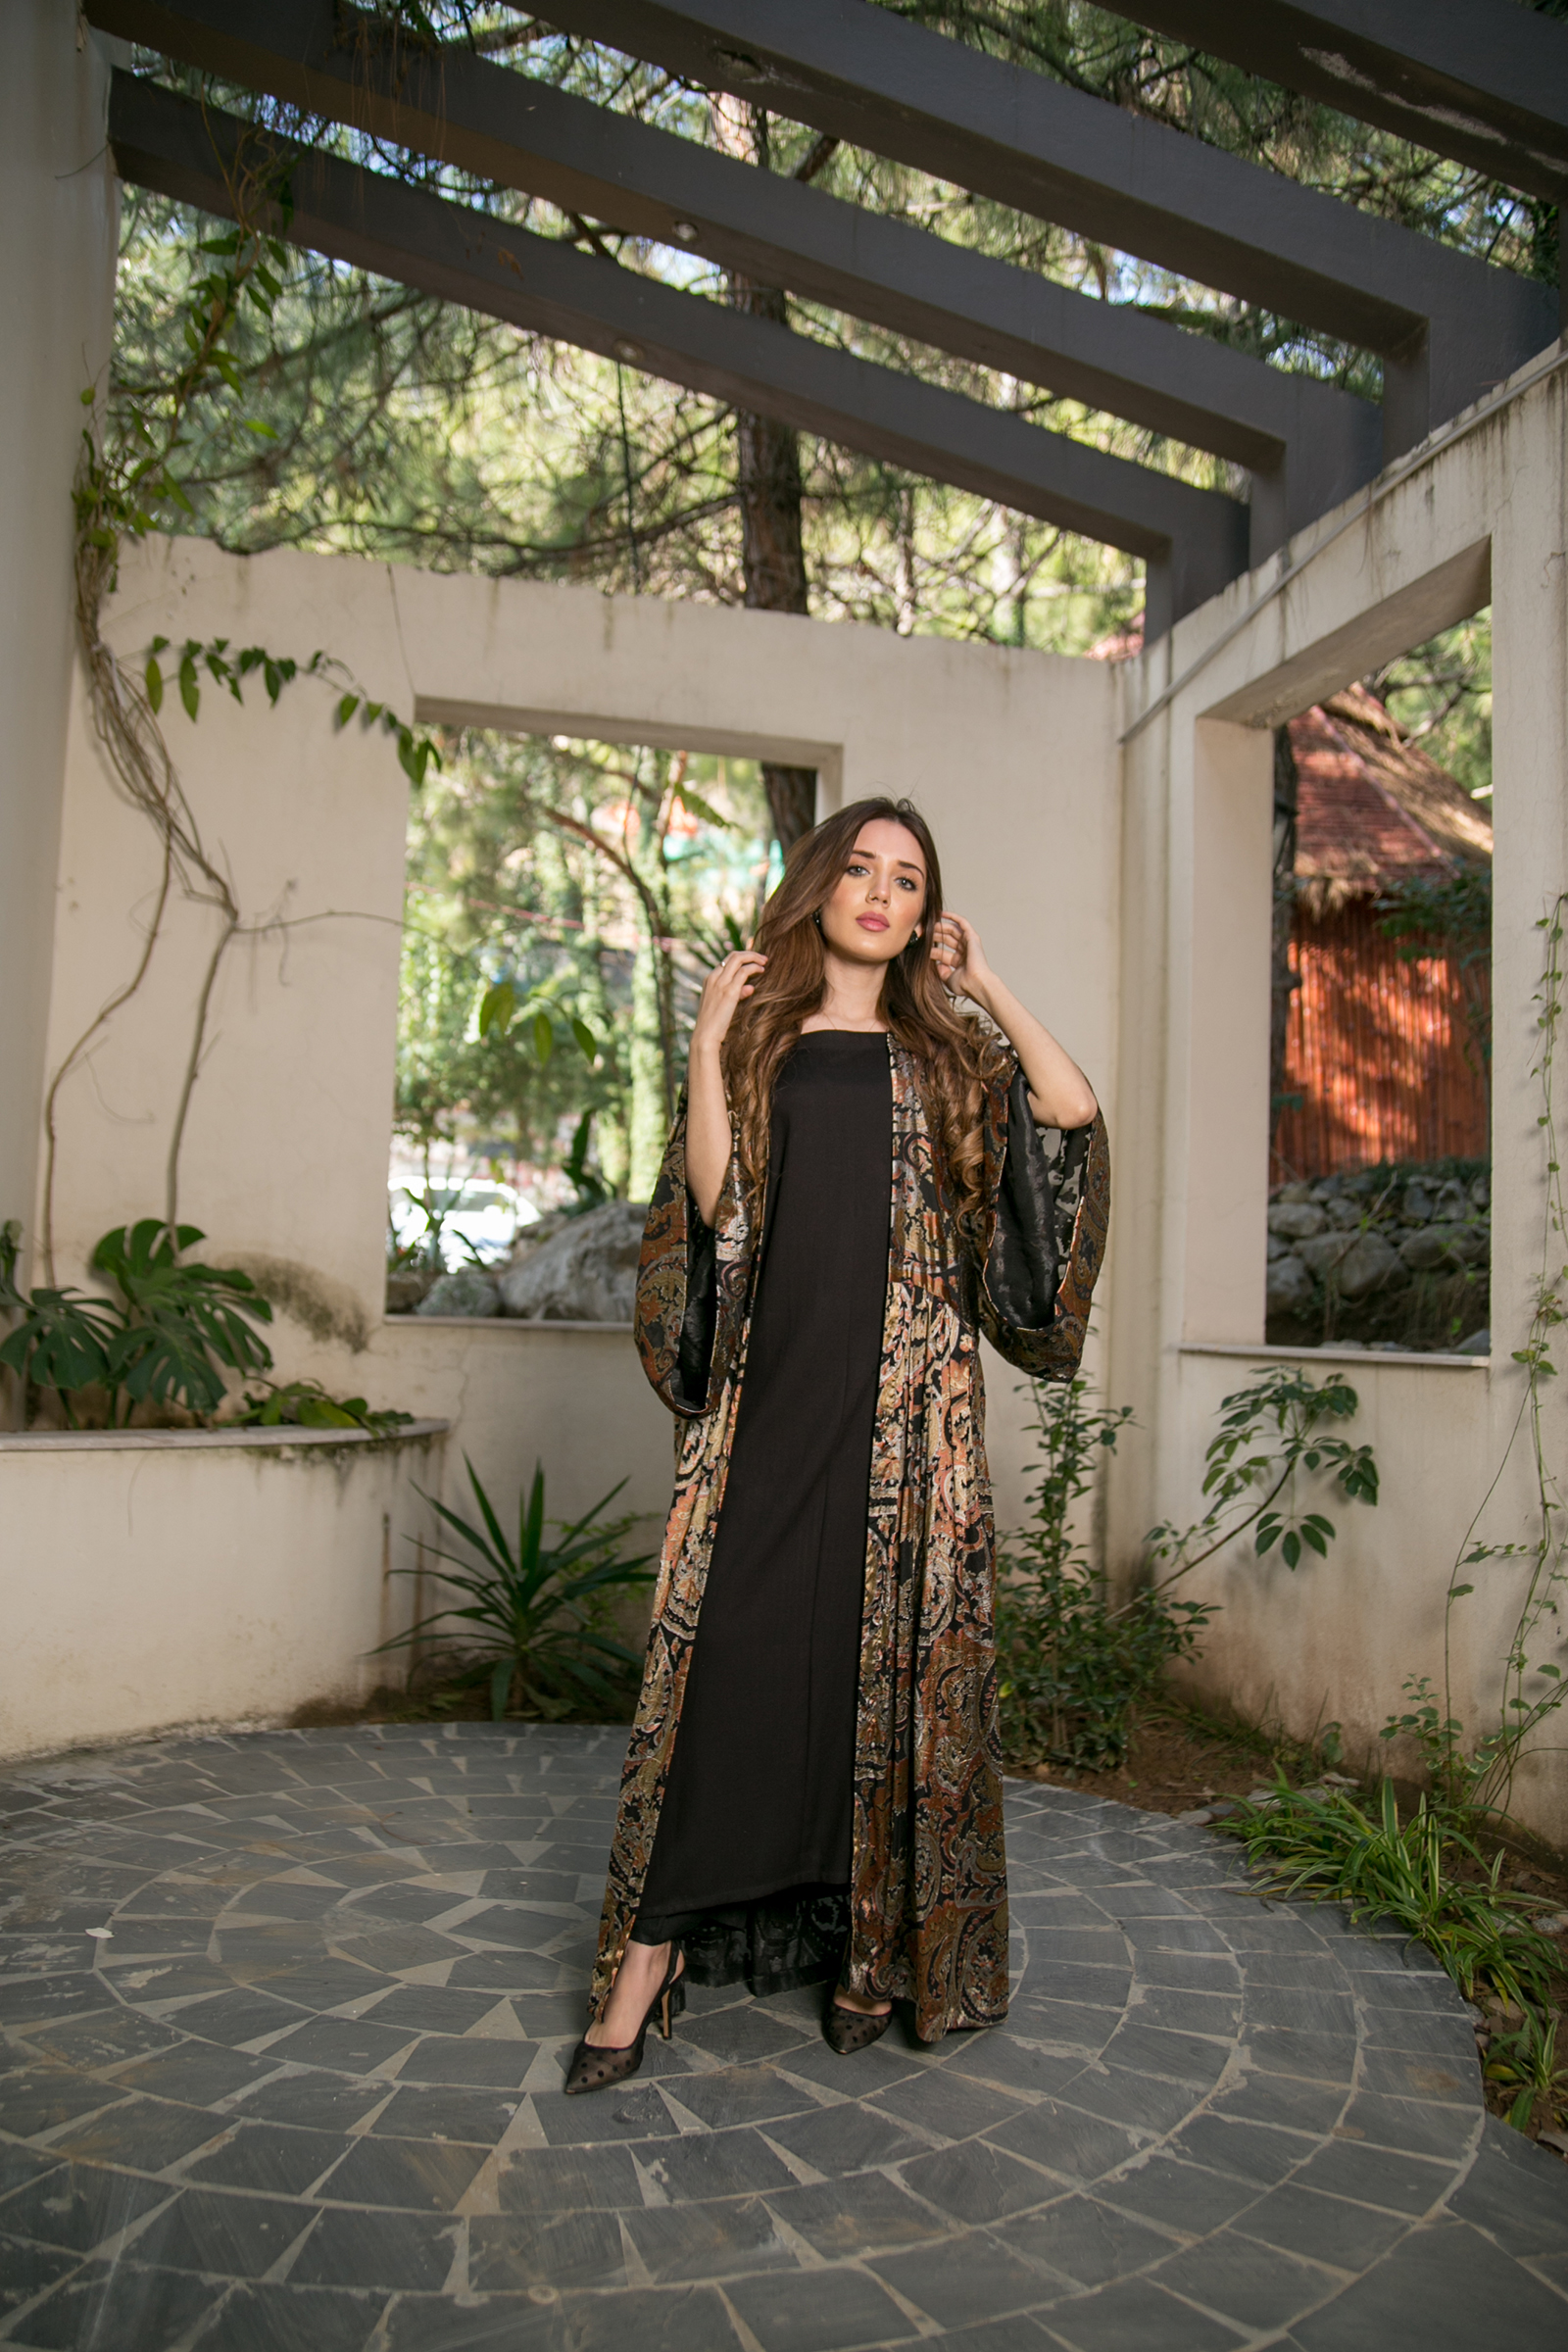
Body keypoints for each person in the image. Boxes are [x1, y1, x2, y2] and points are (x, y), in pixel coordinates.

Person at [564, 795, 1108, 2095]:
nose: (879, 893)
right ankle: (648, 1955)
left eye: (906, 880)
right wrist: (707, 1044)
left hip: (912, 1411)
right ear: (819, 888)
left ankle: (874, 1945)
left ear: (926, 916)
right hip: (774, 1392)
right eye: (859, 869)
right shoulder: (766, 1037)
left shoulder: (947, 1053)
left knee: (890, 1669)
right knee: (730, 1667)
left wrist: (988, 986)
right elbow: (717, 1210)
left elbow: (1071, 1112)